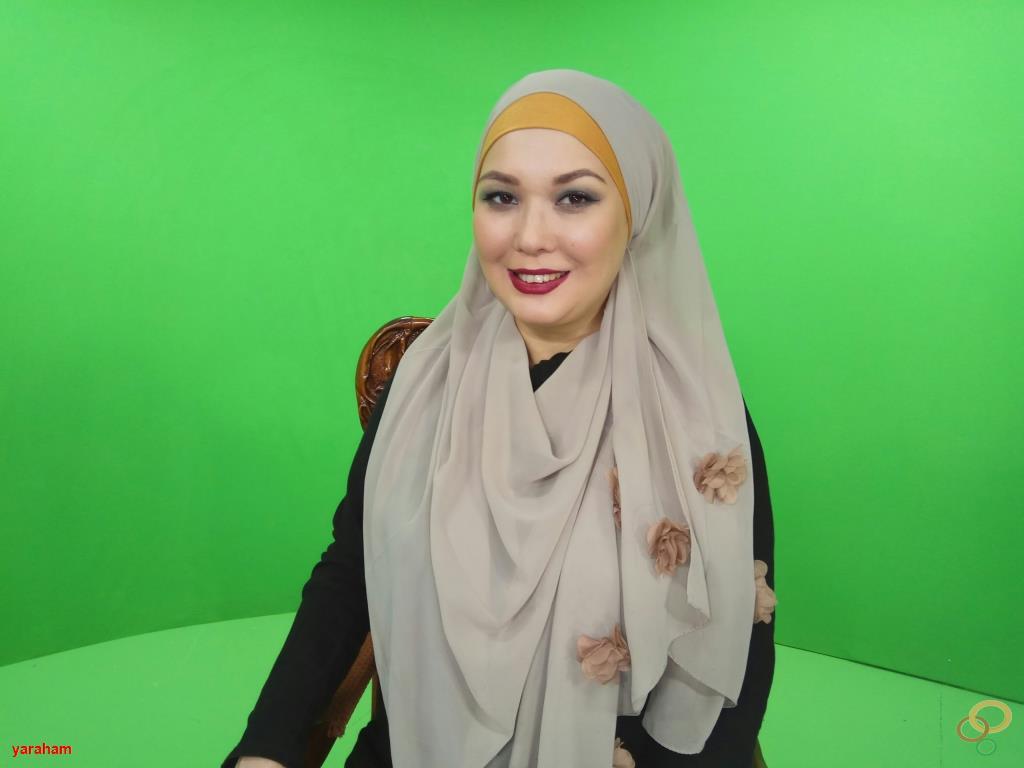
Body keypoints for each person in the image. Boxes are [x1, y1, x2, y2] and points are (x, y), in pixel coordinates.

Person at [223, 68, 777, 768]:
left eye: (575, 197)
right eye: (502, 197)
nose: (530, 236)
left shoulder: (695, 422)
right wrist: (267, 748)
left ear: (635, 214)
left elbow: (736, 655)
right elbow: (350, 574)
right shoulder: (424, 382)